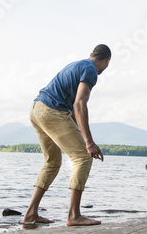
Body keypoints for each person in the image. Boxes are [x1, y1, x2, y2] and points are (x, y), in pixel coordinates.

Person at [22, 44, 111, 227]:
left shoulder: (77, 64)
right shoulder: (91, 70)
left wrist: (87, 139)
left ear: (91, 54)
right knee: (83, 158)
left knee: (52, 162)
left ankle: (31, 213)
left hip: (36, 109)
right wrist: (89, 143)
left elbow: (75, 114)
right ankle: (74, 215)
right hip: (52, 111)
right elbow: (79, 105)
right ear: (106, 61)